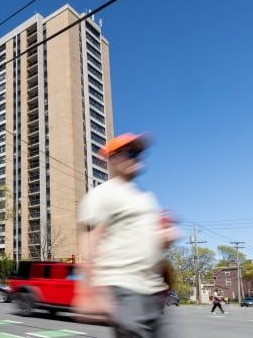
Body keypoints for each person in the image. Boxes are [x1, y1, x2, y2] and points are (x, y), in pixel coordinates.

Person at [75, 133, 178, 337]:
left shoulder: (146, 198)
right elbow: (89, 242)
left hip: (153, 292)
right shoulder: (103, 194)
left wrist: (166, 238)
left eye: (139, 153)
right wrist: (86, 291)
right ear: (112, 159)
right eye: (129, 153)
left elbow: (154, 246)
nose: (136, 157)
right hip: (124, 287)